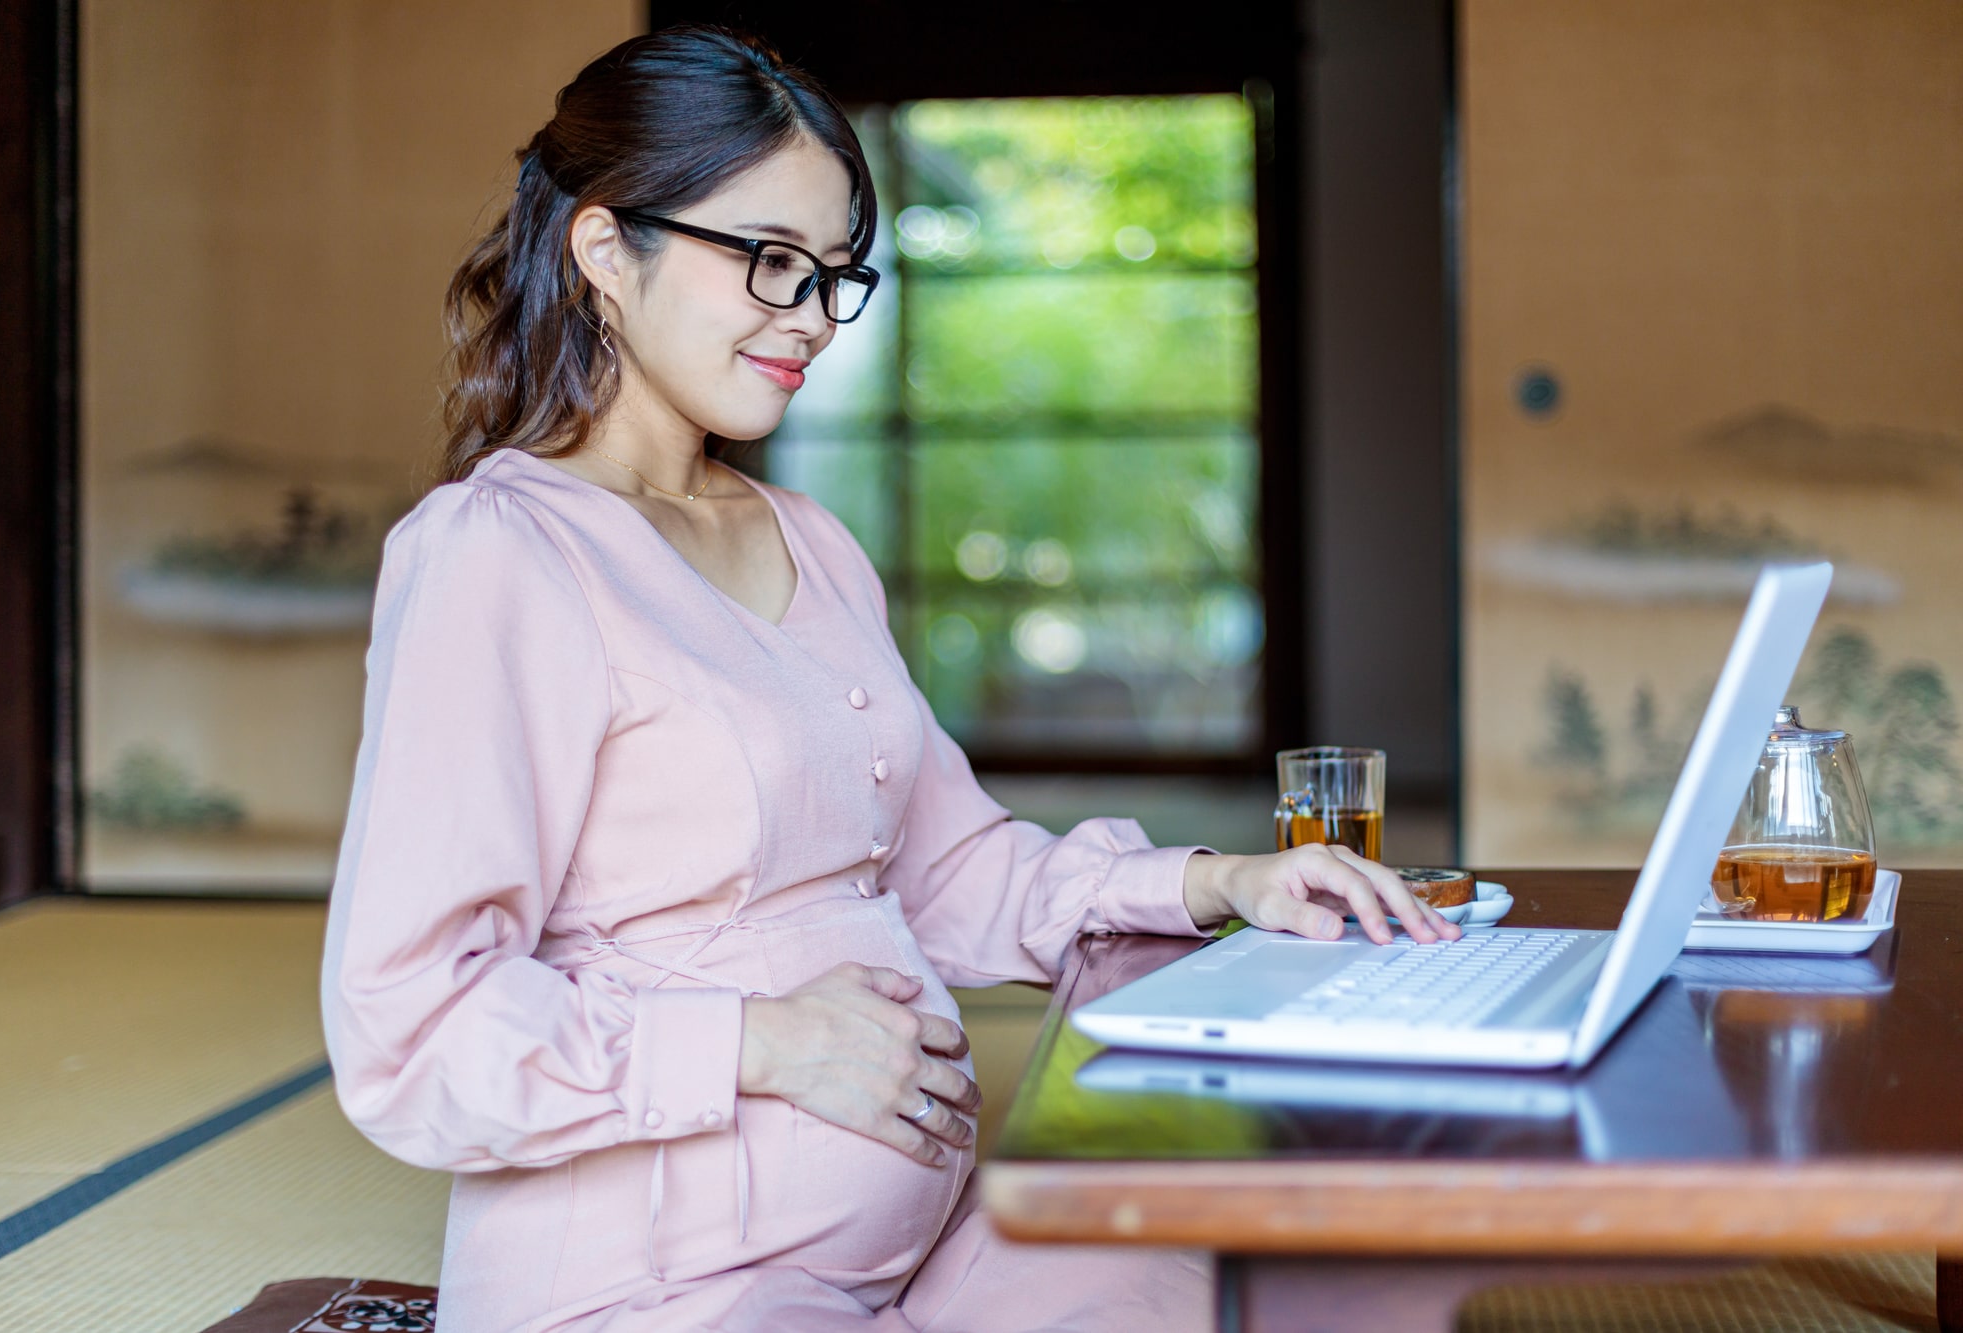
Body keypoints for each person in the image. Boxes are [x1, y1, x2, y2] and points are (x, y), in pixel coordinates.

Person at [320, 25, 1458, 1333]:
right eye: (769, 263)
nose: (808, 320)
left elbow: (950, 870)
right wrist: (761, 1040)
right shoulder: (501, 554)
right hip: (662, 1298)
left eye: (833, 278)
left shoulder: (808, 542)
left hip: (910, 1272)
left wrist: (1223, 883)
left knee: (1306, 1242)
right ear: (602, 249)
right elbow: (412, 1024)